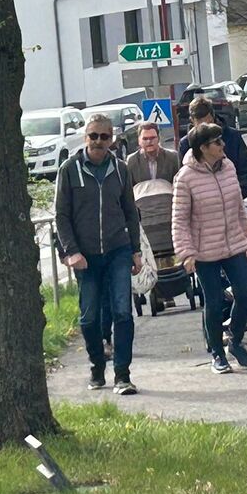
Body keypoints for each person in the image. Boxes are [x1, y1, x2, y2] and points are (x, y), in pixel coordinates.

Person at [54, 113, 142, 395]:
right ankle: (96, 366)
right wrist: (72, 252)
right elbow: (61, 215)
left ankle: (123, 375)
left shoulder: (120, 169)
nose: (98, 141)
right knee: (89, 318)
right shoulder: (69, 169)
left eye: (104, 136)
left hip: (118, 250)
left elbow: (130, 212)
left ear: (112, 139)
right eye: (93, 136)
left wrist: (136, 250)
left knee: (123, 312)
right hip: (86, 256)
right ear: (85, 137)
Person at [172, 122, 247, 374]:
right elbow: (179, 220)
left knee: (244, 292)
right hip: (204, 250)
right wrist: (186, 253)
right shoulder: (185, 178)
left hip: (233, 243)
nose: (223, 145)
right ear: (203, 148)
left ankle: (235, 340)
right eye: (217, 142)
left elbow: (239, 206)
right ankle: (217, 353)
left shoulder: (228, 167)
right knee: (214, 300)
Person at [178, 96, 247, 196]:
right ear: (192, 120)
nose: (205, 129)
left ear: (213, 117)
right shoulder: (186, 144)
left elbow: (246, 172)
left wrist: (235, 194)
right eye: (200, 125)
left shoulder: (232, 136)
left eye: (208, 123)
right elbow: (183, 182)